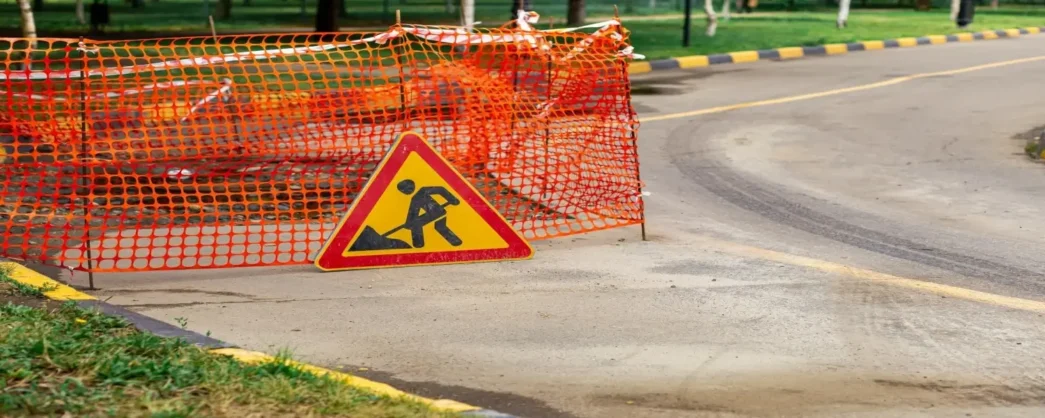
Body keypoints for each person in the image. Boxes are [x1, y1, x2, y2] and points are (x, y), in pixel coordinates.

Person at [397, 179, 462, 248]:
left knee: (416, 224)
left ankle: (419, 243)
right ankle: (456, 242)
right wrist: (453, 200)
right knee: (440, 227)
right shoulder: (417, 196)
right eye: (402, 191)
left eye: (404, 190)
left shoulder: (421, 193)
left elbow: (441, 189)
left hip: (436, 212)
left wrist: (453, 199)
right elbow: (413, 212)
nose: (404, 192)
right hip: (438, 212)